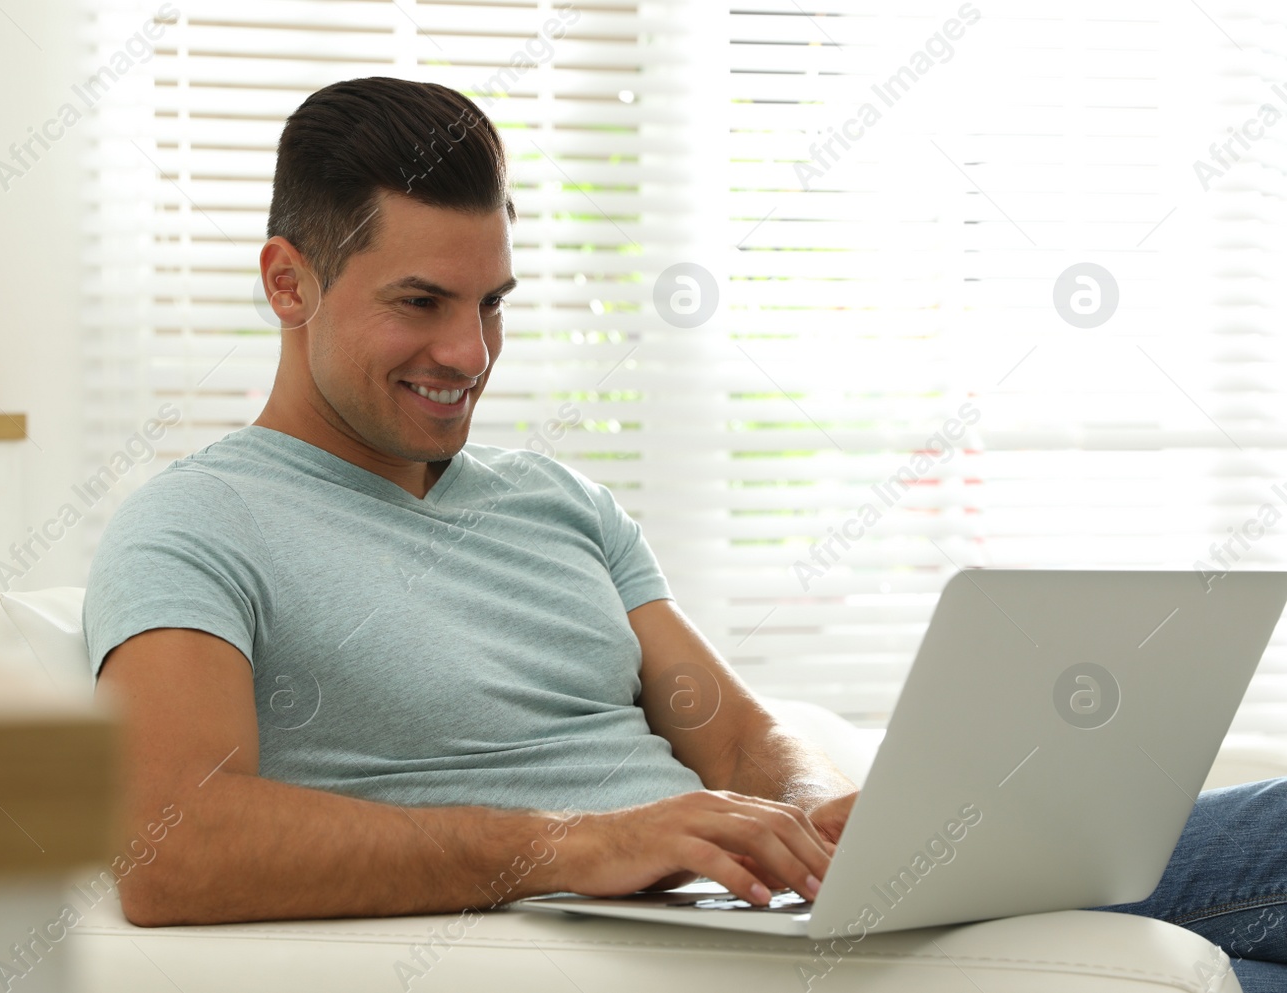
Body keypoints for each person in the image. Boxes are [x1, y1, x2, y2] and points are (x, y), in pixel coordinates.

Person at [83, 76, 1287, 990]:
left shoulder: (556, 503)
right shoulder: (194, 528)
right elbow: (172, 846)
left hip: (754, 909)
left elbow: (738, 736)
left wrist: (819, 820)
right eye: (420, 304)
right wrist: (571, 845)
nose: (468, 354)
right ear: (288, 284)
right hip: (634, 938)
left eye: (491, 304)